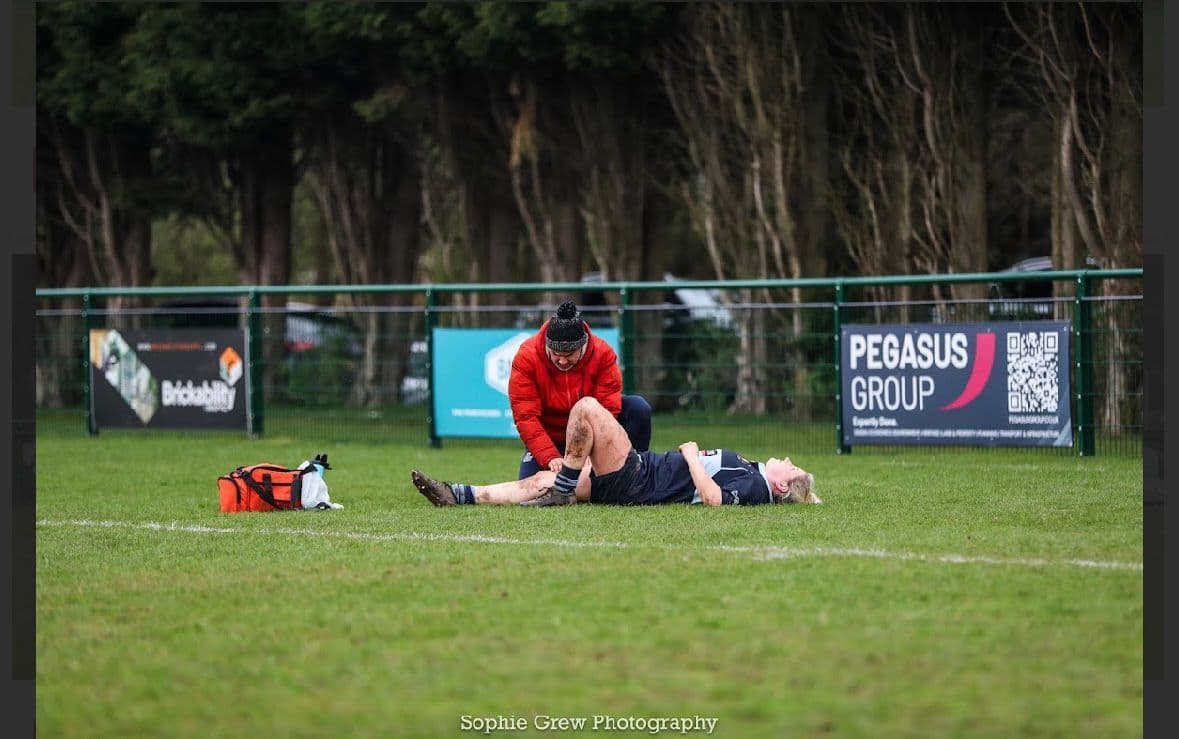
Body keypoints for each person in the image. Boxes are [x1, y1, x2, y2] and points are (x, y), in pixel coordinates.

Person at [411, 396, 820, 507]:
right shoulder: (753, 470)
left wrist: (692, 455)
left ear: (783, 485)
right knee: (539, 480)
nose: (787, 458)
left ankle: (563, 490)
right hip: (637, 478)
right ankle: (459, 494)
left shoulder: (756, 487)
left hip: (638, 476)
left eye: (793, 466)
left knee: (587, 407)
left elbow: (713, 499)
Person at [508, 300, 652, 480]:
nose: (561, 361)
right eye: (555, 353)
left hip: (592, 435)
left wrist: (591, 452)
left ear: (582, 346)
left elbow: (607, 409)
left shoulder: (603, 354)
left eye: (568, 355)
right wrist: (550, 456)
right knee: (530, 485)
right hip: (551, 437)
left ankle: (637, 473)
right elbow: (526, 417)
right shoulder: (526, 357)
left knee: (638, 408)